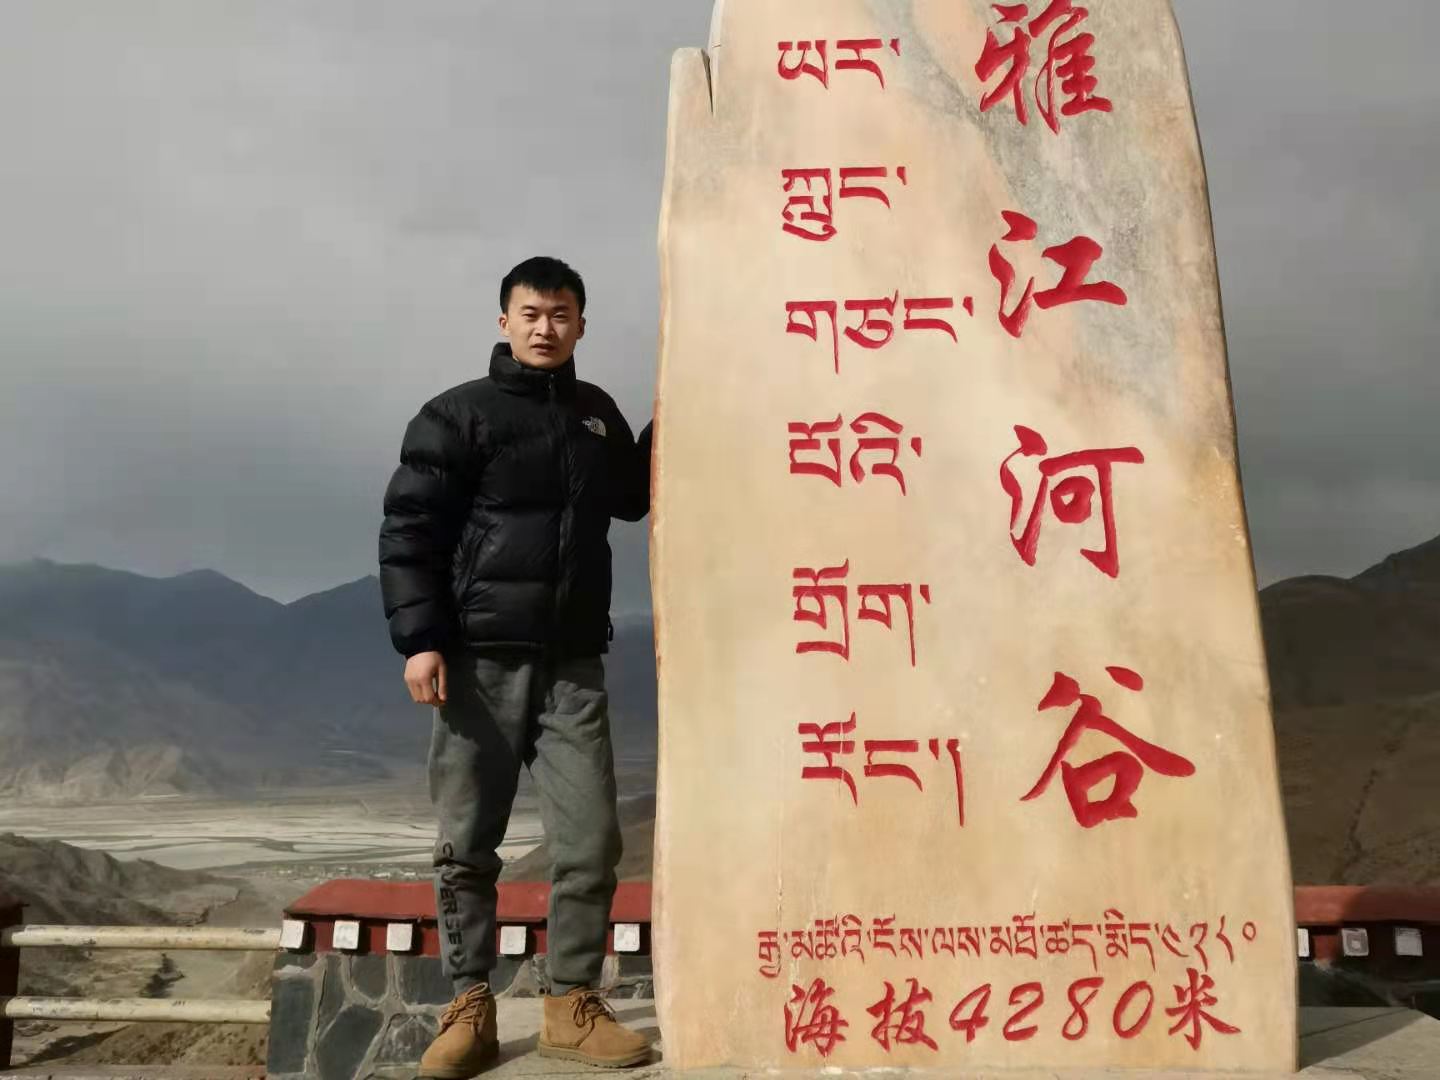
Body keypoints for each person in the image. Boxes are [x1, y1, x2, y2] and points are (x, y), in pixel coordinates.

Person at [379, 256, 653, 1078]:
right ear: (504, 321)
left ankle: (571, 1003)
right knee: (468, 843)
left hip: (573, 662)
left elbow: (632, 498)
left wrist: (674, 411)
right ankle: (470, 1004)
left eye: (561, 314)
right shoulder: (457, 415)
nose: (545, 327)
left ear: (581, 324)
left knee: (592, 841)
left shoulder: (595, 415)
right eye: (531, 313)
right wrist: (420, 639)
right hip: (476, 661)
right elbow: (410, 529)